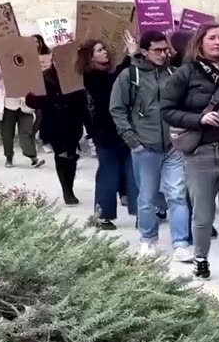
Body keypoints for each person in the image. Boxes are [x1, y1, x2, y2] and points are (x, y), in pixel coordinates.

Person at [161, 23, 219, 292]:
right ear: (199, 42)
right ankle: (200, 258)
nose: (218, 43)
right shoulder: (186, 73)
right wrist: (198, 118)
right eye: (212, 38)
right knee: (202, 214)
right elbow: (167, 109)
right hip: (199, 153)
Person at [111, 30, 193, 261]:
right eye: (156, 50)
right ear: (144, 51)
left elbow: (185, 104)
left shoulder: (174, 74)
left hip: (173, 145)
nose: (162, 54)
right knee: (146, 196)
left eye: (165, 49)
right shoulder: (130, 76)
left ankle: (180, 242)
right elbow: (117, 109)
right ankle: (148, 240)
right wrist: (132, 140)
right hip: (144, 146)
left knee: (177, 194)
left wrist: (182, 132)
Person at [79, 39, 136, 230]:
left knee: (132, 171)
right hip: (106, 131)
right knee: (109, 172)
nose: (105, 52)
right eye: (99, 50)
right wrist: (130, 56)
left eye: (104, 49)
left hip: (123, 129)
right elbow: (114, 85)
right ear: (90, 56)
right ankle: (102, 214)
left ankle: (140, 211)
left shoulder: (104, 74)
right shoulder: (91, 77)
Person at [28, 40, 89, 205]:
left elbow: (83, 101)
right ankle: (67, 190)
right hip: (54, 122)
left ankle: (70, 183)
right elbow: (33, 102)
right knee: (61, 155)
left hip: (72, 121)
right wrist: (33, 91)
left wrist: (88, 124)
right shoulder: (45, 77)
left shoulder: (77, 76)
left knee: (71, 155)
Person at [0, 39, 44, 169]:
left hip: (26, 106)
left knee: (26, 132)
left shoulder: (32, 65)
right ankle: (9, 157)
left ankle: (33, 157)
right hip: (8, 104)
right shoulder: (3, 65)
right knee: (7, 133)